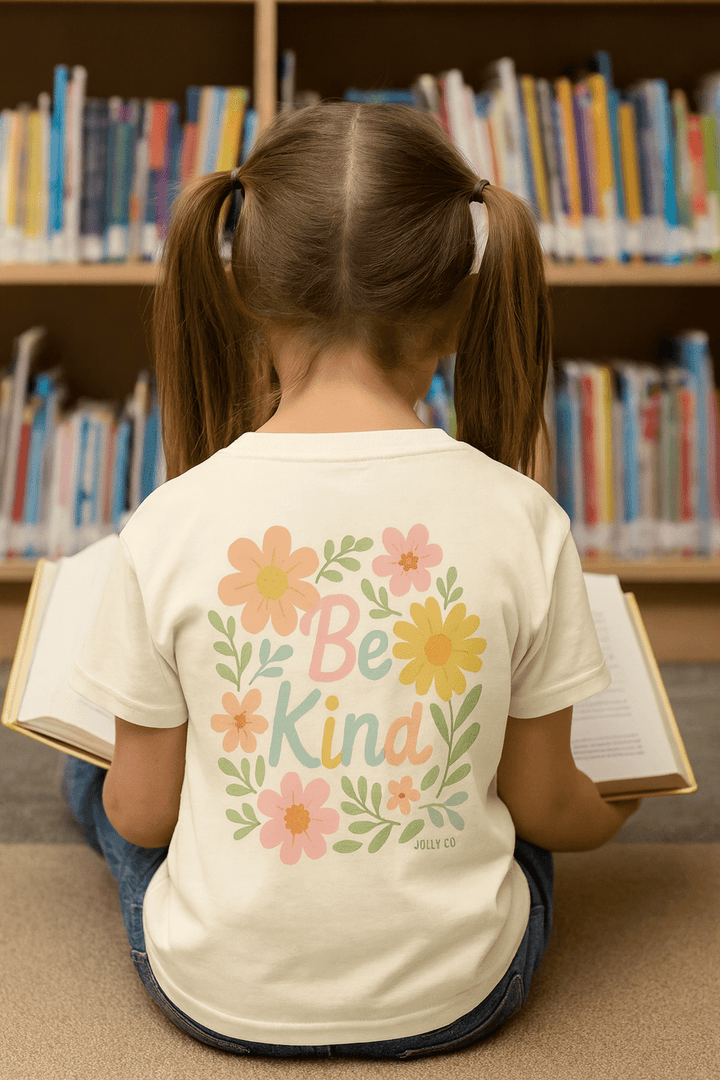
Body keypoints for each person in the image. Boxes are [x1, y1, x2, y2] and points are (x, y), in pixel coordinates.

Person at [61, 101, 641, 1061]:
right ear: (459, 309)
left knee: (95, 788)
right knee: (516, 828)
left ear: (245, 288)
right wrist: (611, 809)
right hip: (459, 1001)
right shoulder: (522, 517)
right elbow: (546, 811)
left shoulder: (171, 519)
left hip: (215, 998)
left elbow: (145, 815)